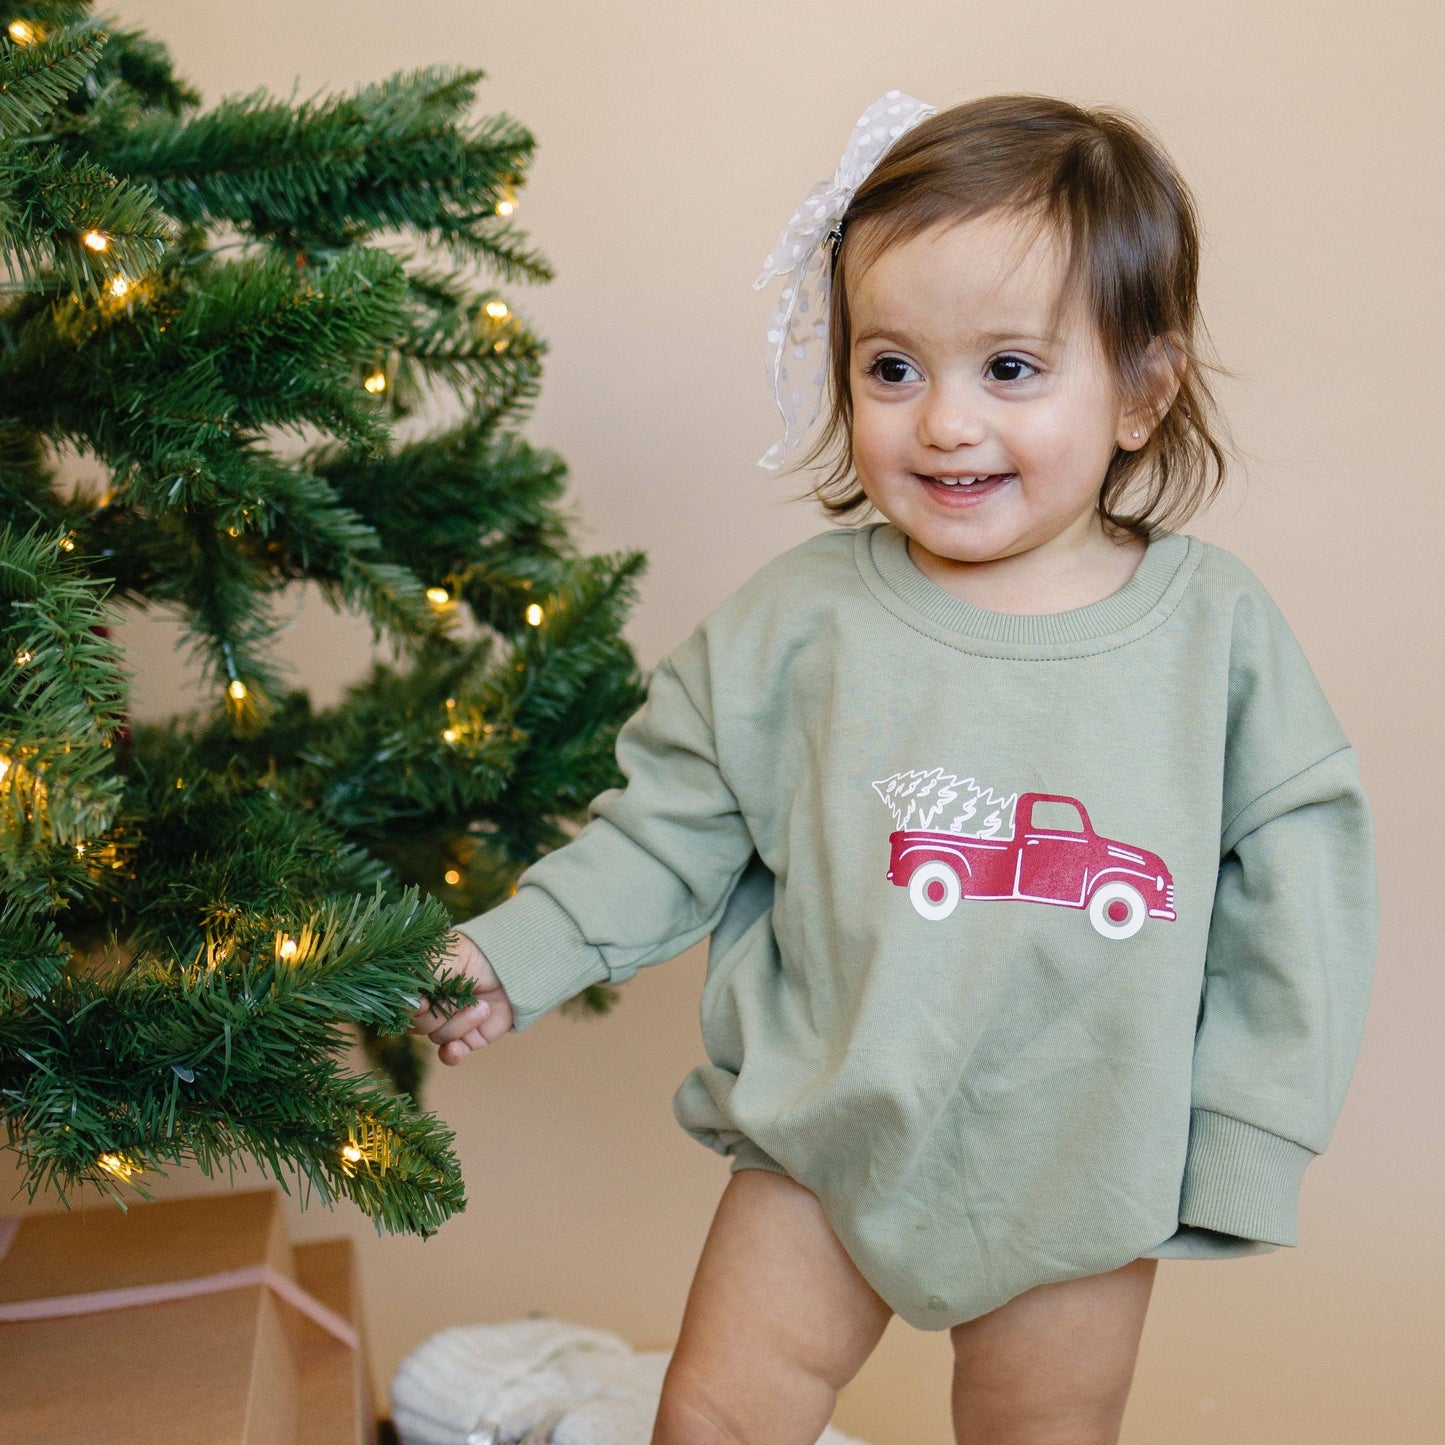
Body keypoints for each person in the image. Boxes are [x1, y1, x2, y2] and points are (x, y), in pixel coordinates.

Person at [410, 90, 1377, 1445]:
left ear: (1141, 392)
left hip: (1081, 1154)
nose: (942, 423)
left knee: (1040, 1429)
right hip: (830, 1125)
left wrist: (1246, 1130)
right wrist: (517, 953)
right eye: (892, 368)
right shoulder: (797, 624)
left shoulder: (1211, 637)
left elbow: (1301, 889)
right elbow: (664, 826)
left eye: (1011, 370)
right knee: (718, 1412)